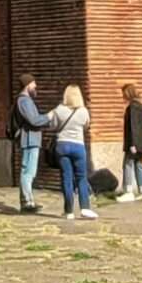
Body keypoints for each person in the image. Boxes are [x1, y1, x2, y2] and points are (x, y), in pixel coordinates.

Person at [50, 83, 96, 220]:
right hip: (78, 146)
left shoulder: (59, 109)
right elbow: (87, 126)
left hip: (62, 145)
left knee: (66, 178)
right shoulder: (83, 111)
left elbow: (53, 125)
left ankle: (68, 210)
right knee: (81, 177)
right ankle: (85, 208)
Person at [9, 74, 49, 213]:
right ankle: (27, 202)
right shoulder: (24, 101)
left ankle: (28, 201)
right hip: (29, 139)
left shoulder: (25, 100)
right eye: (33, 83)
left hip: (31, 139)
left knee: (29, 171)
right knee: (28, 171)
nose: (35, 86)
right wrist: (49, 117)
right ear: (27, 85)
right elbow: (34, 120)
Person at [118, 83, 142, 203]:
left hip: (133, 142)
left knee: (128, 164)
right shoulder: (140, 106)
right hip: (141, 142)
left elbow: (134, 127)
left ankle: (128, 191)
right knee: (139, 164)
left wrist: (133, 144)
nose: (122, 96)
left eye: (123, 94)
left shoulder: (132, 107)